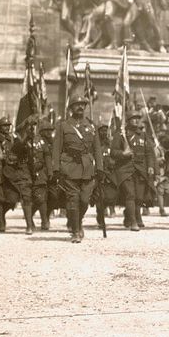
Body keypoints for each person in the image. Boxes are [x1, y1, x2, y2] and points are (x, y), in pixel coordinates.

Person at [51, 95, 104, 243]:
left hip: (87, 168)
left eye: (82, 104)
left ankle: (77, 221)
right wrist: (56, 168)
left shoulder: (91, 126)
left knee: (84, 200)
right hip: (69, 166)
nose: (80, 107)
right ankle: (75, 231)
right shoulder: (63, 125)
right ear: (71, 108)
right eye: (77, 104)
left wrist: (100, 168)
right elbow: (57, 148)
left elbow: (97, 149)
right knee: (73, 199)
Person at [110, 111, 157, 231]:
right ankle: (133, 221)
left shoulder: (143, 135)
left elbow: (149, 153)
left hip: (140, 169)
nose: (136, 120)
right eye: (133, 118)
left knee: (139, 197)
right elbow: (113, 152)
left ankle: (133, 215)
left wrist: (151, 166)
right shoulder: (121, 134)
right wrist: (123, 154)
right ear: (128, 120)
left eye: (138, 118)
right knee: (130, 195)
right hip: (125, 169)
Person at [29, 119, 53, 231]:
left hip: (47, 174)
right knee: (39, 197)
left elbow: (49, 157)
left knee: (46, 197)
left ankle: (43, 218)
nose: (49, 133)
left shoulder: (50, 142)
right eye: (47, 131)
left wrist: (51, 171)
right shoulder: (35, 141)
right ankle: (43, 220)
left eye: (51, 131)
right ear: (41, 131)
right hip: (36, 173)